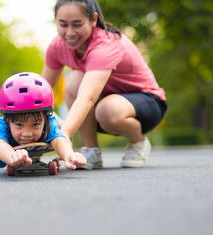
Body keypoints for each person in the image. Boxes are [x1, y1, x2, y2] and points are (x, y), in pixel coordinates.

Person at [42, 0, 167, 169]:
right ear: (56, 20)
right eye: (63, 25)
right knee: (74, 80)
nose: (70, 33)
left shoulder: (105, 45)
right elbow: (43, 91)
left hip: (148, 104)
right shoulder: (57, 47)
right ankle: (92, 151)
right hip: (105, 104)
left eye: (77, 25)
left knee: (107, 110)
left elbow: (87, 97)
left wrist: (63, 135)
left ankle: (138, 141)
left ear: (93, 20)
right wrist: (23, 125)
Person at [0, 72, 86, 170]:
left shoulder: (48, 122)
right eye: (19, 125)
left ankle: (56, 121)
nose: (27, 134)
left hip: (51, 125)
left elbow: (58, 140)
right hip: (10, 148)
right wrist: (12, 157)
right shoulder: (0, 125)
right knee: (0, 161)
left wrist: (69, 156)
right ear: (7, 120)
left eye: (35, 124)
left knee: (61, 133)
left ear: (45, 118)